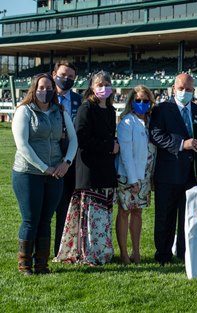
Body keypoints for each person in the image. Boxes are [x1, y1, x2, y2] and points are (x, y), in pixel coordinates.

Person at [12, 73, 77, 274]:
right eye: (41, 87)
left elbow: (74, 140)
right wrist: (44, 167)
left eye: (49, 88)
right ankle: (25, 264)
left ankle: (41, 264)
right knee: (30, 219)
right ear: (34, 88)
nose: (45, 91)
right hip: (28, 173)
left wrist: (66, 163)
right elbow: (22, 144)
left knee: (46, 220)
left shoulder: (60, 111)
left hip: (55, 175)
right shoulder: (24, 111)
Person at [55, 71, 119, 265]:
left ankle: (101, 251)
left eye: (106, 84)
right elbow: (82, 138)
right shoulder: (86, 108)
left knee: (103, 215)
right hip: (89, 168)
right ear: (92, 87)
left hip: (106, 169)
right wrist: (109, 146)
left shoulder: (110, 110)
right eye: (99, 84)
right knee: (90, 215)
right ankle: (86, 252)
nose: (103, 88)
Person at [149, 73, 197, 265]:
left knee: (189, 217)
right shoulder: (162, 109)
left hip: (193, 175)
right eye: (181, 88)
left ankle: (185, 253)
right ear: (173, 89)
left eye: (189, 89)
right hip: (168, 174)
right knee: (165, 217)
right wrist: (182, 144)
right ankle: (163, 254)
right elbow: (156, 135)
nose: (185, 92)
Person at [115, 85, 156, 265]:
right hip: (128, 174)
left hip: (146, 174)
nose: (141, 104)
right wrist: (133, 179)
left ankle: (136, 252)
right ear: (131, 101)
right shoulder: (127, 122)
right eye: (138, 100)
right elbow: (126, 153)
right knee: (124, 212)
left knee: (138, 212)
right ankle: (124, 254)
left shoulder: (151, 121)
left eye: (145, 101)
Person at [52, 60, 82, 256]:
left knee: (67, 208)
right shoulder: (45, 97)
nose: (66, 79)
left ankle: (61, 251)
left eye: (70, 77)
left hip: (72, 160)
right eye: (63, 75)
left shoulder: (79, 101)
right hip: (49, 158)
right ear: (54, 74)